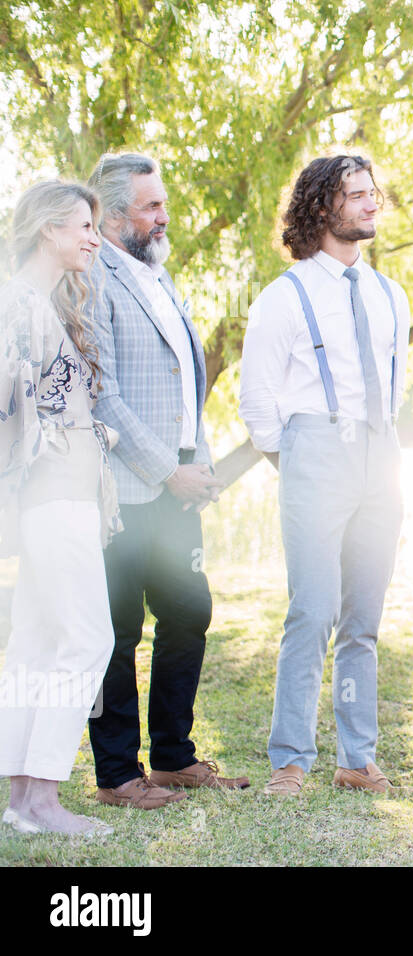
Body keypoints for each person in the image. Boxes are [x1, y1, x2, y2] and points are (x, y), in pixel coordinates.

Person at [240, 154, 409, 796]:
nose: (372, 205)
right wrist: (300, 463)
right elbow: (258, 399)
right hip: (314, 450)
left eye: (374, 194)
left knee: (362, 618)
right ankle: (290, 758)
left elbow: (391, 390)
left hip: (380, 456)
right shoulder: (284, 297)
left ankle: (355, 758)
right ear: (321, 208)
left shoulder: (388, 293)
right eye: (356, 196)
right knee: (311, 612)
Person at [85, 153, 246, 809]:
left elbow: (186, 382)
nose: (164, 214)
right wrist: (166, 469)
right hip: (125, 490)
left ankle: (173, 758)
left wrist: (198, 460)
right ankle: (117, 775)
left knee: (189, 612)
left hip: (180, 482)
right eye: (151, 205)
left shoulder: (159, 274)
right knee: (118, 631)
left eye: (162, 202)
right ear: (116, 216)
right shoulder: (93, 278)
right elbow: (104, 396)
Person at [0, 180, 118, 835]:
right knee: (87, 637)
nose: (93, 239)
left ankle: (23, 800)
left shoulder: (35, 304)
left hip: (61, 496)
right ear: (48, 229)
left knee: (38, 642)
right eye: (82, 226)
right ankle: (42, 798)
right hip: (53, 497)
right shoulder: (20, 305)